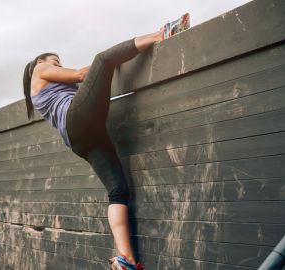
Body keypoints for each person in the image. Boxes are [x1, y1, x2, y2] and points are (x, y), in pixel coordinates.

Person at [23, 13, 190, 270]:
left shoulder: (47, 90)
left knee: (118, 192)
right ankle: (163, 33)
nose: (57, 66)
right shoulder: (40, 69)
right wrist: (112, 60)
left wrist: (109, 66)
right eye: (55, 61)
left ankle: (126, 259)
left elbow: (89, 84)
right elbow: (82, 74)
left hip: (80, 139)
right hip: (76, 120)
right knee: (103, 58)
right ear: (40, 62)